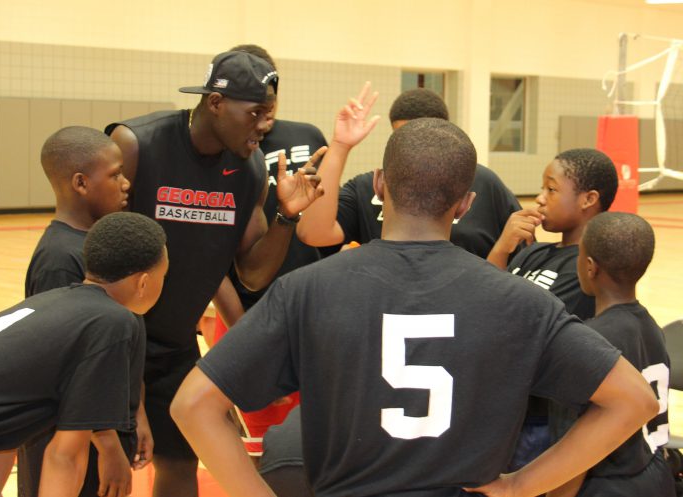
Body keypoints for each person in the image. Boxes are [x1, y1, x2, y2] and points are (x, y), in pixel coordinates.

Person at [170, 115, 658, 497]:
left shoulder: (307, 289)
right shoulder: (521, 301)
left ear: (380, 186)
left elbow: (192, 405)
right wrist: (522, 485)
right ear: (465, 204)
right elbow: (634, 401)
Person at [106, 50, 324, 497]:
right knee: (103, 472)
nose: (266, 125)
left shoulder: (248, 171)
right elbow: (94, 253)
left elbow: (251, 274)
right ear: (216, 104)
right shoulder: (137, 144)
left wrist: (286, 216)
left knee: (180, 469)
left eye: (271, 114)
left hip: (174, 346)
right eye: (257, 113)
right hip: (110, 340)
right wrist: (129, 387)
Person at [0, 212, 167, 497]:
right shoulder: (114, 321)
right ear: (144, 282)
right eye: (164, 276)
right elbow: (65, 456)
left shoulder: (55, 302)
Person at [208, 43, 329, 457]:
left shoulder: (306, 136)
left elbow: (323, 226)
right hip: (246, 313)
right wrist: (246, 338)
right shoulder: (219, 150)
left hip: (310, 309)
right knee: (260, 442)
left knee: (314, 439)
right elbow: (212, 257)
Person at [20, 126, 152, 497]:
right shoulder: (60, 258)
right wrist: (107, 443)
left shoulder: (101, 247)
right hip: (75, 439)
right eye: (115, 175)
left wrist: (137, 413)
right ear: (80, 183)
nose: (126, 183)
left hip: (109, 423)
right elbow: (68, 367)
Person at [487, 148, 619, 471]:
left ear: (588, 200)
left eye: (551, 189)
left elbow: (521, 325)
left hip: (542, 417)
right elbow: (483, 302)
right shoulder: (533, 252)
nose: (540, 199)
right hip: (509, 409)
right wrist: (501, 249)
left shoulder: (587, 270)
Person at [296, 87, 521, 259]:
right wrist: (340, 146)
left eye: (424, 138)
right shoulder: (367, 187)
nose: (414, 147)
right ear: (379, 185)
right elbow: (314, 233)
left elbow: (517, 256)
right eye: (403, 137)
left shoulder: (483, 183)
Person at [547, 212, 675, 497]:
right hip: (655, 478)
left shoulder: (587, 342)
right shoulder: (652, 327)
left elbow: (571, 457)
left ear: (590, 267)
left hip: (607, 486)